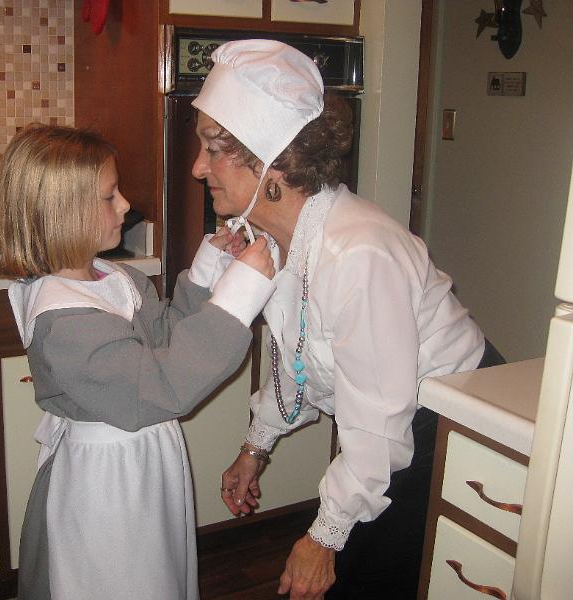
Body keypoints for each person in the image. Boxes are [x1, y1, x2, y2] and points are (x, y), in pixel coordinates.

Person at [188, 40, 505, 599]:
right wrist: (256, 445)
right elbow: (302, 354)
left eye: (215, 149)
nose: (198, 167)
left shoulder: (356, 253)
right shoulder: (279, 238)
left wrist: (324, 535)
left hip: (448, 428)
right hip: (389, 425)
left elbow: (381, 424)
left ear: (272, 160)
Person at [0, 123, 276, 600]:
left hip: (141, 460)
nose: (124, 204)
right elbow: (159, 387)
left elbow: (162, 338)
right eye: (108, 196)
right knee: (117, 578)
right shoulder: (62, 318)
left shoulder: (111, 277)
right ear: (60, 213)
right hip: (106, 479)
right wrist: (237, 298)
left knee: (154, 573)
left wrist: (210, 271)